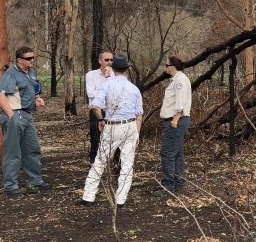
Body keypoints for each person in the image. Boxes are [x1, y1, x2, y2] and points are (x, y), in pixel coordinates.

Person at [80, 53, 143, 208]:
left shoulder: (106, 85)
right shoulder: (134, 89)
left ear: (113, 68)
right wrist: (137, 133)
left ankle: (88, 196)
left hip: (112, 125)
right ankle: (120, 199)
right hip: (129, 126)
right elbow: (139, 115)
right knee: (127, 164)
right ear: (127, 69)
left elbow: (95, 105)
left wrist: (101, 120)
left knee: (100, 161)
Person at [0, 46, 49, 197]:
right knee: (13, 153)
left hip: (27, 115)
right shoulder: (11, 73)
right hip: (14, 115)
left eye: (33, 57)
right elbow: (0, 95)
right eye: (28, 58)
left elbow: (33, 91)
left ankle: (34, 182)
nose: (31, 60)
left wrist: (37, 99)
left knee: (32, 149)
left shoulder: (31, 72)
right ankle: (10, 187)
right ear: (19, 60)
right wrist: (11, 115)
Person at [155, 56, 192, 196]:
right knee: (177, 153)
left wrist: (175, 120)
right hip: (176, 120)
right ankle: (178, 182)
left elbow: (180, 104)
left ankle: (168, 186)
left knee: (167, 153)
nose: (166, 67)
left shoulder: (179, 80)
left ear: (172, 66)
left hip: (176, 120)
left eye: (167, 65)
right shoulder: (177, 79)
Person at [85, 50, 114, 163]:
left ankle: (114, 168)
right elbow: (91, 94)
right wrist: (105, 94)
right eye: (106, 60)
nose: (109, 62)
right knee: (95, 139)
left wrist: (108, 77)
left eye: (111, 60)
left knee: (113, 139)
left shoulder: (115, 75)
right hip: (96, 110)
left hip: (111, 111)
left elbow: (114, 95)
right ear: (100, 61)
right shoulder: (91, 75)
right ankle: (94, 166)